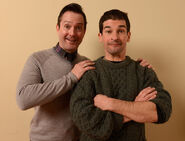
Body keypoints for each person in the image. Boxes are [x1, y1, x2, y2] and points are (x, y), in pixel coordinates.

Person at [16, 3, 153, 141]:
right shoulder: (38, 59)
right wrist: (71, 78)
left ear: (84, 32)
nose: (72, 33)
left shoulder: (88, 65)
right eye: (67, 26)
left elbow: (100, 107)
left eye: (78, 28)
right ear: (58, 28)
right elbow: (23, 100)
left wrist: (138, 67)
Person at [70, 9, 172, 141]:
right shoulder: (88, 72)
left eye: (121, 31)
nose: (115, 37)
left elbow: (161, 111)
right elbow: (86, 121)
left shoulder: (143, 71)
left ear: (128, 36)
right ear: (100, 36)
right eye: (108, 31)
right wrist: (135, 107)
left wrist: (110, 103)